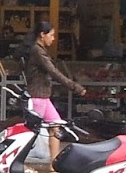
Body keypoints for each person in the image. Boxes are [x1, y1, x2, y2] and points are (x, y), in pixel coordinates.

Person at [22, 20, 86, 165]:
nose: (53, 38)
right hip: (37, 96)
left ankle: (54, 164)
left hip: (44, 97)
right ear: (42, 35)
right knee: (31, 133)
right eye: (51, 35)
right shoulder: (37, 51)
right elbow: (53, 71)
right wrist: (75, 87)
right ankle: (21, 163)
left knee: (55, 126)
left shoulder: (39, 50)